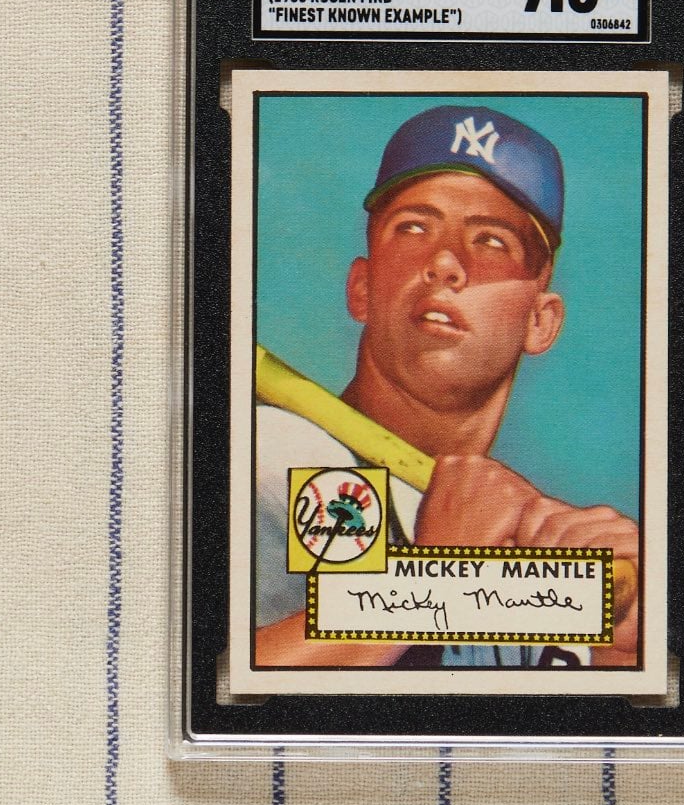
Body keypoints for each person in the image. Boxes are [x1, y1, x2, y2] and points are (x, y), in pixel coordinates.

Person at [254, 105, 639, 668]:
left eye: (491, 241)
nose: (444, 262)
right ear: (363, 288)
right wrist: (435, 576)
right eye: (413, 227)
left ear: (540, 321)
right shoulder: (276, 454)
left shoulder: (529, 535)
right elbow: (220, 679)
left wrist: (625, 654)